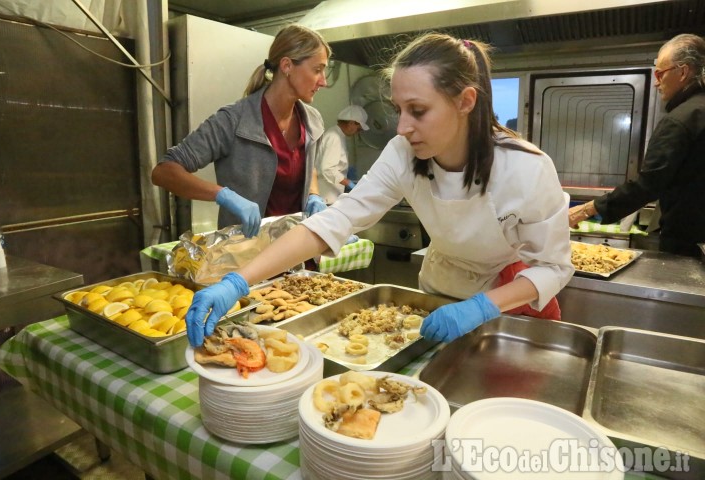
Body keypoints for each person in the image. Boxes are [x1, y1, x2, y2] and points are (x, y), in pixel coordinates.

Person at [184, 33, 574, 347]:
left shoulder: (525, 168)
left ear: (465, 102)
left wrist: (481, 308)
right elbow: (336, 220)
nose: (402, 126)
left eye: (417, 111)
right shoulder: (404, 153)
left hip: (505, 302)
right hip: (441, 289)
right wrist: (238, 281)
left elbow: (554, 267)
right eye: (398, 109)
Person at [151, 24, 330, 238]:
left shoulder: (312, 121)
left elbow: (307, 166)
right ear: (287, 66)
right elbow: (163, 171)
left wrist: (313, 194)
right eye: (317, 70)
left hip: (298, 256)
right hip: (248, 259)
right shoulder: (233, 121)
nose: (324, 81)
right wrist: (223, 195)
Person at [568, 34, 705, 257]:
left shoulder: (680, 120)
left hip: (688, 242)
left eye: (660, 73)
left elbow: (647, 185)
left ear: (683, 72)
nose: (656, 82)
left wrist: (584, 210)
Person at [314, 105, 369, 204]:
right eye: (358, 129)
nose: (357, 132)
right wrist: (349, 183)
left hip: (331, 194)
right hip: (326, 195)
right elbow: (328, 169)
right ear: (351, 123)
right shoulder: (334, 137)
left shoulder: (338, 135)